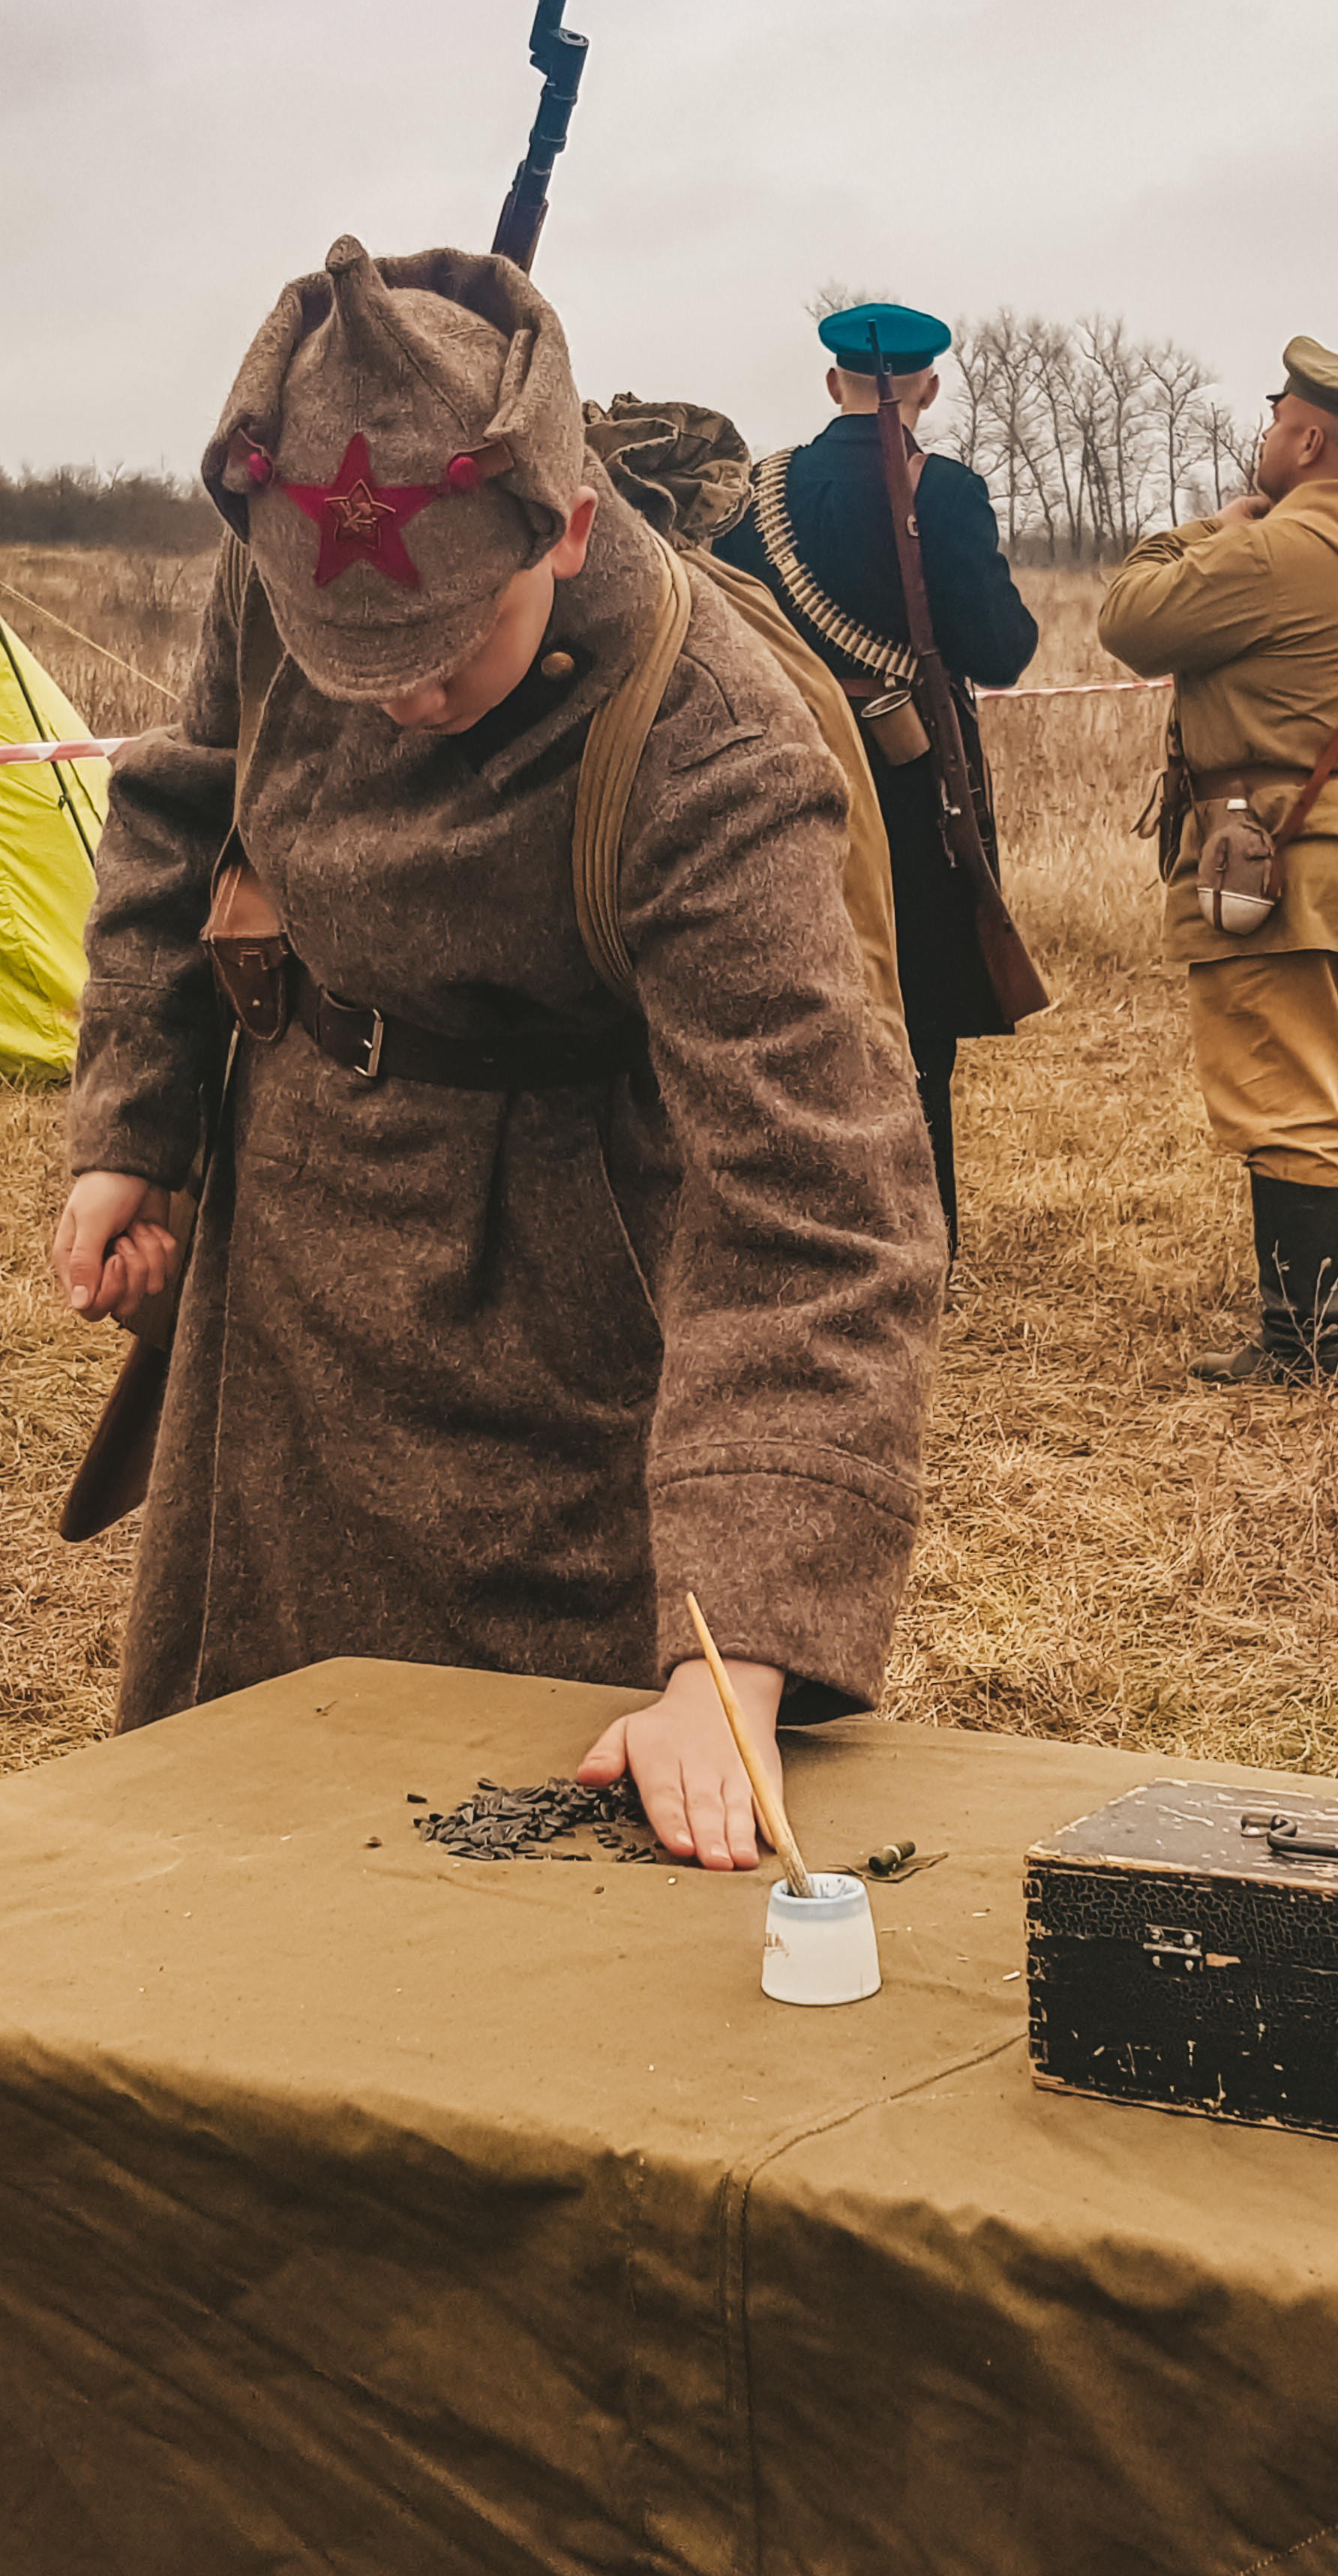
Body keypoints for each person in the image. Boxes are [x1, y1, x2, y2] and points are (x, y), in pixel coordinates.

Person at [52, 237, 944, 1864]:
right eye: (350, 667)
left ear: (571, 526)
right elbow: (184, 808)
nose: (391, 704)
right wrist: (135, 1124)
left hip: (554, 1307)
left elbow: (815, 1200)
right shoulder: (290, 563)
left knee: (507, 1851)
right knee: (238, 1814)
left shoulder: (711, 744)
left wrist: (734, 1651)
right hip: (286, 1268)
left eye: (443, 659)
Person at [713, 299, 1039, 1259]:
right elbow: (1002, 650)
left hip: (783, 772)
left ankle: (818, 1233)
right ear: (926, 389)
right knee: (919, 1018)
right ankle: (918, 1236)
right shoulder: (942, 492)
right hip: (908, 786)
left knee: (802, 1009)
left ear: (833, 385)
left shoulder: (756, 494)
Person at [1100, 335, 1338, 1384]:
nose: (1264, 431)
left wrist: (1210, 527)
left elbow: (1130, 619)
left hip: (1280, 865)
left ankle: (1306, 1342)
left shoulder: (1280, 549)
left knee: (1285, 1093)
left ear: (1311, 437)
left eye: (1276, 415)